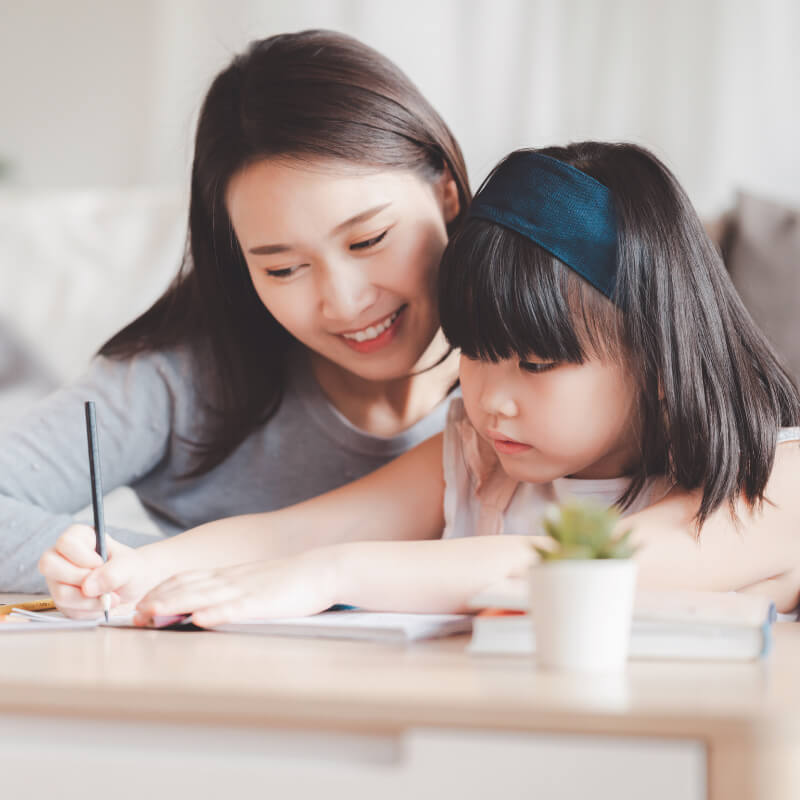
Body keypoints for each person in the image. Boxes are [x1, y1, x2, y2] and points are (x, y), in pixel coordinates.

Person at [40, 142, 800, 624]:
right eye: (476, 352)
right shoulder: (479, 457)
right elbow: (301, 528)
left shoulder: (777, 480)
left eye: (536, 365)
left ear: (660, 363)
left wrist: (328, 576)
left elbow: (563, 572)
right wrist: (136, 571)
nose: (489, 399)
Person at [0, 30, 470, 592]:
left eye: (368, 240)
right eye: (282, 268)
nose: (344, 302)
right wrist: (152, 571)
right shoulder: (182, 378)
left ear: (446, 190)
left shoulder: (535, 374)